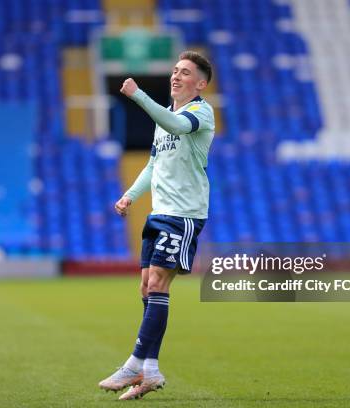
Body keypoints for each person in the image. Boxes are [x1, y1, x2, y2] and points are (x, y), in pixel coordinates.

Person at [98, 50, 215, 401]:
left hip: (184, 213)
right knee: (146, 289)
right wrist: (130, 195)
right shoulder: (165, 119)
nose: (176, 76)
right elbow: (153, 164)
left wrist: (138, 94)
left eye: (185, 72)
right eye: (175, 71)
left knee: (159, 283)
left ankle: (135, 364)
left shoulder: (200, 112)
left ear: (201, 83)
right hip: (159, 211)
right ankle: (150, 370)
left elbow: (178, 127)